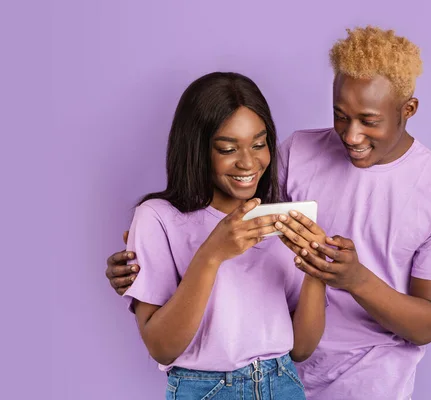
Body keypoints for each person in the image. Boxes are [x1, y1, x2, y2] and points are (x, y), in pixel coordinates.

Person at [106, 27, 431, 399]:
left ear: (408, 110)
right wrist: (148, 269)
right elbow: (215, 228)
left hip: (366, 380)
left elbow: (428, 323)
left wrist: (351, 277)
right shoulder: (297, 153)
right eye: (340, 115)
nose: (350, 136)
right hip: (289, 372)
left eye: (369, 120)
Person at [118, 71, 327, 400]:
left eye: (259, 144)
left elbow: (301, 349)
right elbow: (162, 348)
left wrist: (316, 269)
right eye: (228, 149)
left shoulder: (279, 217)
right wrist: (212, 253)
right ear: (197, 150)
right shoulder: (157, 218)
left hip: (283, 382)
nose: (248, 162)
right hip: (206, 389)